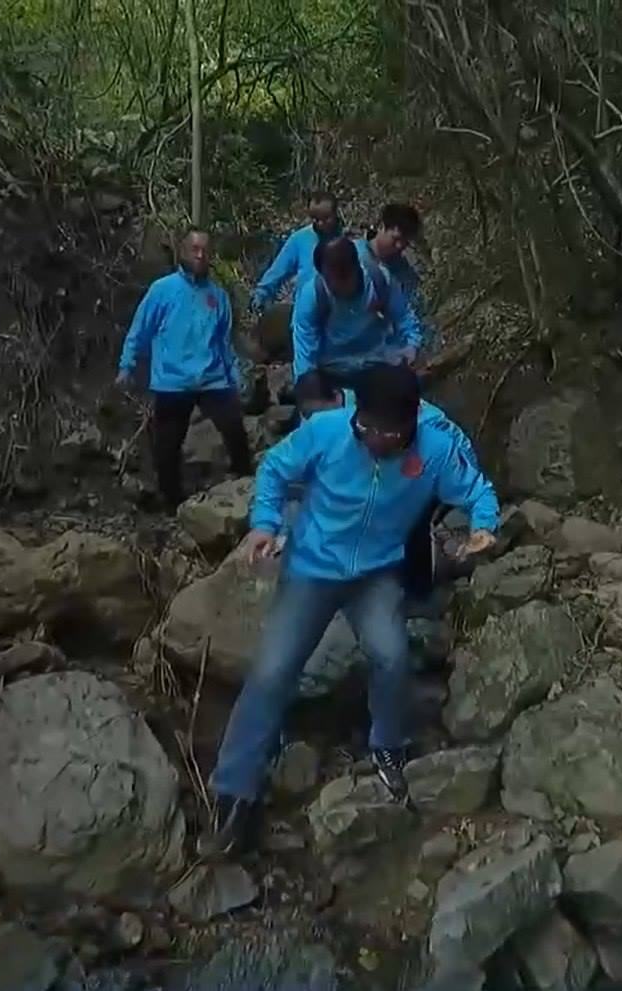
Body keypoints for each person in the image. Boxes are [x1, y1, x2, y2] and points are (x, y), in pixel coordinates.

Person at [201, 364, 499, 855]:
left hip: (376, 574)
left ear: (409, 425)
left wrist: (483, 525)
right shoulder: (327, 431)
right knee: (273, 671)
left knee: (392, 655)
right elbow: (275, 468)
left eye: (387, 433)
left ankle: (387, 744)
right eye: (366, 427)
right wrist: (264, 522)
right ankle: (234, 789)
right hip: (312, 567)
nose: (373, 439)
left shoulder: (435, 449)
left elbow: (478, 490)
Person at [292, 370, 475, 605]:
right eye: (308, 415)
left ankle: (419, 595)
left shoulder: (376, 411)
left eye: (319, 413)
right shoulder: (321, 420)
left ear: (337, 397)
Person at [117, 230, 252, 509]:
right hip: (173, 381)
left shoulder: (218, 296)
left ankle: (247, 487)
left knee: (235, 431)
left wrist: (235, 377)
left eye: (205, 250)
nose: (200, 255)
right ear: (182, 251)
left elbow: (224, 343)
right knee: (167, 447)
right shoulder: (162, 290)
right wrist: (126, 366)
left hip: (212, 379)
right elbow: (140, 330)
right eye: (194, 249)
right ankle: (172, 503)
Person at [291, 235, 425, 387]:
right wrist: (307, 389)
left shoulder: (379, 279)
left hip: (379, 358)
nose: (338, 286)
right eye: (330, 280)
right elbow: (304, 354)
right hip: (333, 368)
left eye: (344, 278)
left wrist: (411, 346)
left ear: (357, 267)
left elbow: (404, 317)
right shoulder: (312, 296)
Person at [249, 190, 344, 311]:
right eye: (316, 219)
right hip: (305, 310)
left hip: (339, 310)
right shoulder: (300, 239)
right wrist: (261, 293)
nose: (320, 224)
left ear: (335, 214)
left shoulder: (348, 241)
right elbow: (279, 270)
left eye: (326, 219)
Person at [359, 203, 430, 348]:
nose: (399, 246)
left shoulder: (404, 274)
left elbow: (411, 314)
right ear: (381, 227)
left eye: (405, 242)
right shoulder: (352, 254)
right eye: (395, 239)